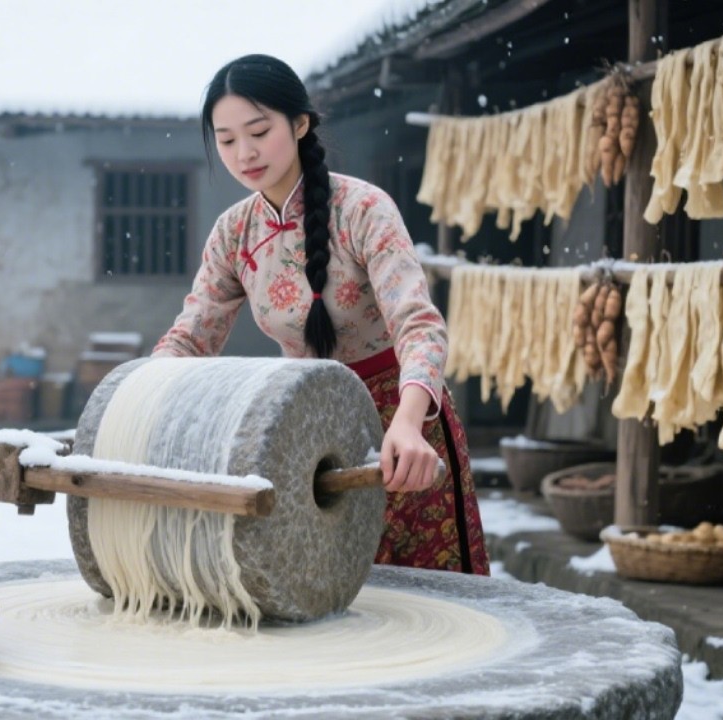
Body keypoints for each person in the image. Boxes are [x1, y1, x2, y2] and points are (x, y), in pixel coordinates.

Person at [151, 54, 488, 575]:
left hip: (400, 424)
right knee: (319, 599)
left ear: (300, 123)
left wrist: (408, 421)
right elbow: (193, 337)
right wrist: (138, 397)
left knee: (423, 608)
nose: (245, 153)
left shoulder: (362, 210)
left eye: (259, 131)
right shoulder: (232, 233)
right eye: (227, 139)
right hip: (303, 431)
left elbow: (417, 324)